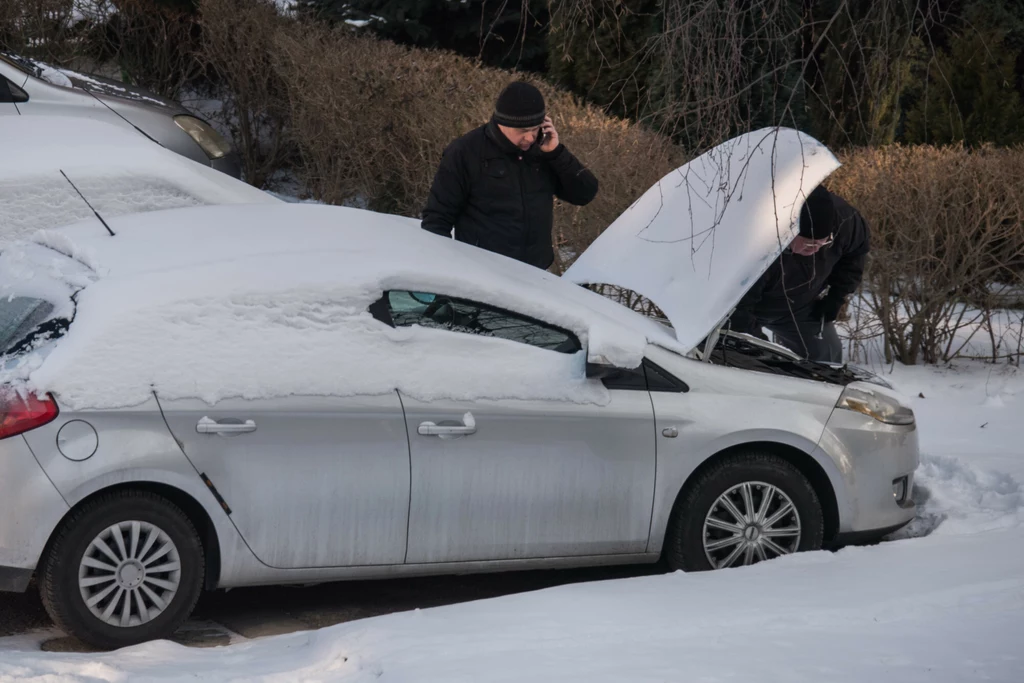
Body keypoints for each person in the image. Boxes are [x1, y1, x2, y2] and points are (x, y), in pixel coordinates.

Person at [421, 81, 599, 270]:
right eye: (523, 131)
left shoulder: (543, 151)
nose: (530, 138)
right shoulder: (465, 152)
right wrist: (447, 271)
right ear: (502, 124)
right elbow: (437, 219)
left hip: (536, 274)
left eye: (535, 129)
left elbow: (584, 194)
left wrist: (556, 153)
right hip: (482, 274)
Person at [728, 185, 870, 363]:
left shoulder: (845, 220)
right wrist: (763, 353)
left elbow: (856, 253)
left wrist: (837, 296)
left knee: (828, 356)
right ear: (789, 232)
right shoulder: (758, 245)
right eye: (808, 244)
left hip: (800, 304)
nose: (815, 250)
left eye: (822, 243)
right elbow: (738, 310)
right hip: (744, 307)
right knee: (751, 362)